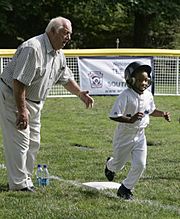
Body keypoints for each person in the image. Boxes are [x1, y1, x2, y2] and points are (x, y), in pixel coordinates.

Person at [0, 16, 94, 192]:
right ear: (52, 31)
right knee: (20, 141)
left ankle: (26, 178)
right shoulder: (33, 49)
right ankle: (19, 184)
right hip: (14, 97)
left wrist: (80, 93)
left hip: (35, 102)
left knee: (33, 142)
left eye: (70, 35)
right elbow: (19, 83)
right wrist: (22, 111)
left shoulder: (59, 54)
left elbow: (65, 78)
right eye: (65, 34)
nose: (68, 38)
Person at [104, 61, 170, 200]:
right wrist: (130, 120)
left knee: (140, 165)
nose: (144, 83)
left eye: (146, 80)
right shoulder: (125, 95)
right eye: (140, 80)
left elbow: (151, 110)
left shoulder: (148, 95)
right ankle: (110, 165)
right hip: (124, 135)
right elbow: (113, 115)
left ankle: (125, 188)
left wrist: (162, 114)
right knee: (118, 165)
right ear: (131, 80)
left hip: (140, 135)